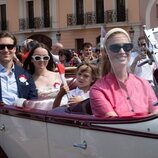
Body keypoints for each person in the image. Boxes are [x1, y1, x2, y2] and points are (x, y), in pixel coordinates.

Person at [90, 28, 158, 118]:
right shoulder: (98, 90)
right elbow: (116, 125)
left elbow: (156, 113)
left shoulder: (144, 84)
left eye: (126, 47)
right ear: (106, 52)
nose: (122, 52)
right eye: (115, 47)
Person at [0, 31, 38, 105]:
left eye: (10, 47)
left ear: (14, 49)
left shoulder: (26, 74)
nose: (6, 50)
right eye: (1, 47)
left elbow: (33, 99)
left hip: (20, 115)